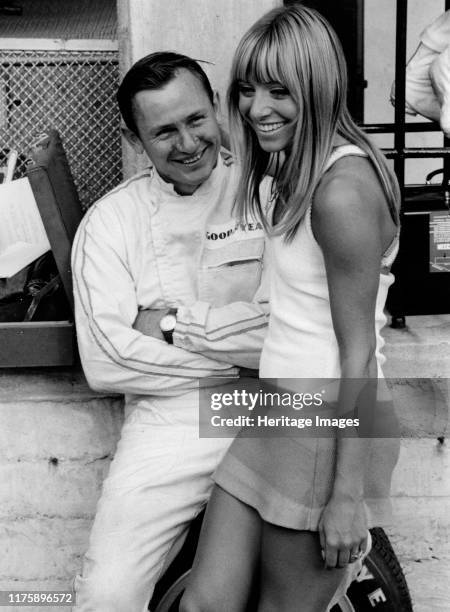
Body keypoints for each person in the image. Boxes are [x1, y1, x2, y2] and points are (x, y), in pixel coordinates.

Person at [180, 6, 401, 612]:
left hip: (327, 425)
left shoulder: (341, 192)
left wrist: (347, 496)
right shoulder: (289, 165)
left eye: (280, 90)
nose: (256, 108)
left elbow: (357, 351)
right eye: (247, 89)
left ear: (319, 86)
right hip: (279, 406)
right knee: (204, 604)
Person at [71, 51, 270, 612]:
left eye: (195, 120)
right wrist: (243, 357)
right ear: (135, 139)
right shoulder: (111, 223)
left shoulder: (272, 194)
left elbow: (298, 328)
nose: (186, 143)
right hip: (175, 414)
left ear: (216, 108)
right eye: (163, 131)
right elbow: (107, 360)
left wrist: (169, 325)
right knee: (106, 595)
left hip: (285, 399)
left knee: (323, 559)